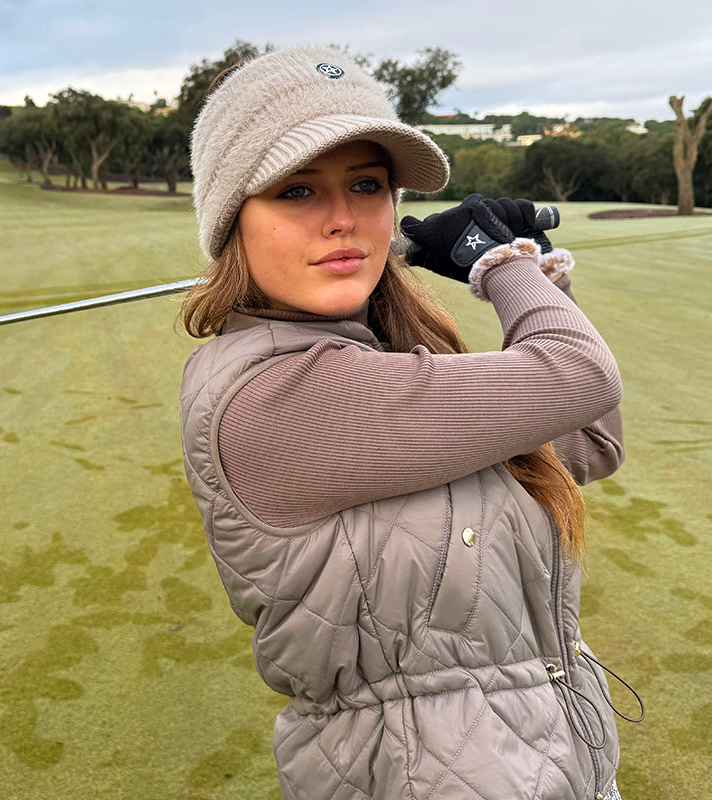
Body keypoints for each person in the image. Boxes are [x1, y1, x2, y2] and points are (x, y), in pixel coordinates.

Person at [177, 45, 638, 800]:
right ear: (233, 220)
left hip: (551, 766)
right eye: (297, 190)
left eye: (367, 185)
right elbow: (579, 373)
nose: (342, 219)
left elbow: (589, 440)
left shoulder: (384, 361)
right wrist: (503, 265)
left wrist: (540, 278)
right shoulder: (276, 398)